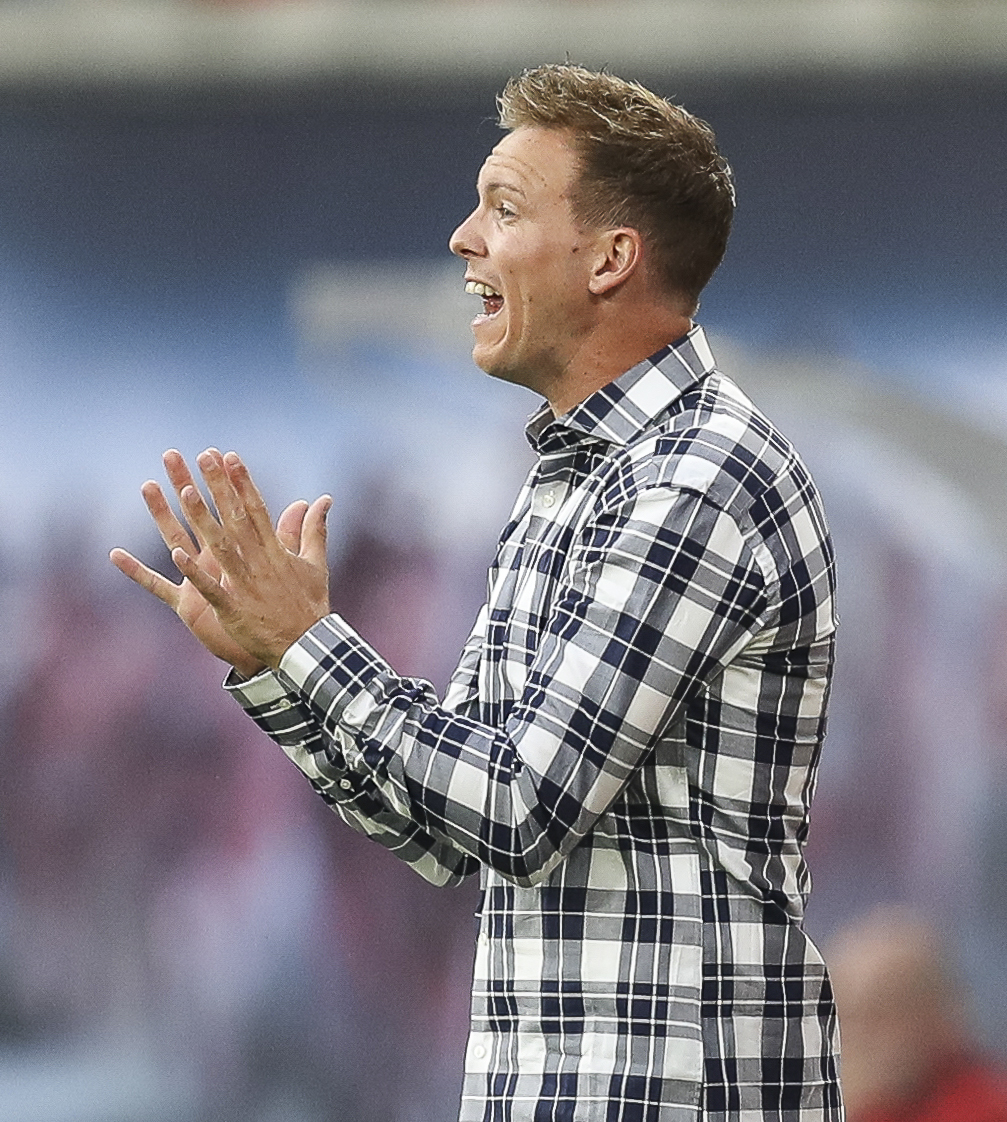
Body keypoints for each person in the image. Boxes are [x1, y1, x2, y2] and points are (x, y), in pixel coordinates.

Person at [111, 63, 840, 1120]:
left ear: (611, 259)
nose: (463, 237)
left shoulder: (701, 479)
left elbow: (518, 808)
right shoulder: (570, 484)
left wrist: (314, 645)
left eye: (503, 206)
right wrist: (274, 667)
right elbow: (449, 835)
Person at [827, 907, 1007, 1122]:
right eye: (851, 1016)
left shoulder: (995, 1104)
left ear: (935, 1012)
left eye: (881, 1014)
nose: (864, 1035)